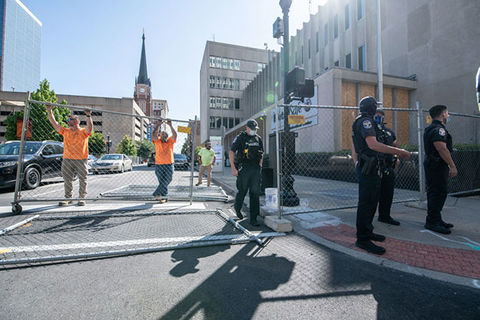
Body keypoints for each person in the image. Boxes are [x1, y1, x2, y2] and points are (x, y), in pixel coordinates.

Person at [351, 97, 411, 255]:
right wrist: (400, 152)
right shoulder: (365, 122)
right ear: (371, 107)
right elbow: (373, 145)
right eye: (375, 106)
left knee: (372, 202)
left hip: (373, 168)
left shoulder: (366, 121)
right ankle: (362, 238)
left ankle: (368, 231)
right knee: (366, 203)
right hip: (368, 169)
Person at [46, 105, 92, 206]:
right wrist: (49, 111)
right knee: (67, 179)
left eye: (69, 119)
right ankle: (68, 198)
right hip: (67, 159)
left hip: (81, 159)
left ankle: (81, 198)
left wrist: (88, 116)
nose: (67, 121)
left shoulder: (83, 131)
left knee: (83, 179)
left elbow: (90, 128)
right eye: (67, 119)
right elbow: (54, 123)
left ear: (76, 121)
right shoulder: (65, 131)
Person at [423, 105, 457, 234]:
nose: (448, 116)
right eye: (447, 113)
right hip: (436, 165)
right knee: (436, 193)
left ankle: (437, 219)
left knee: (439, 192)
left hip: (435, 165)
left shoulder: (433, 128)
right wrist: (452, 166)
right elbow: (441, 148)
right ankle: (431, 222)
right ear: (443, 114)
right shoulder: (438, 130)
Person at [229, 119, 264, 226]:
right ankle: (238, 208)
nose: (254, 131)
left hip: (255, 169)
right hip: (243, 167)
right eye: (252, 129)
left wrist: (260, 166)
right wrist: (233, 168)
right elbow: (231, 152)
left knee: (255, 193)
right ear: (247, 128)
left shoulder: (258, 139)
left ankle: (253, 218)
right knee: (242, 190)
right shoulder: (241, 137)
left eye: (255, 129)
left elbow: (261, 153)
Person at [374, 110, 401, 226]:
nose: (379, 118)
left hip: (388, 167)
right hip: (375, 167)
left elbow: (395, 146)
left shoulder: (389, 132)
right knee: (373, 195)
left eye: (380, 116)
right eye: (376, 116)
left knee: (388, 193)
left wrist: (396, 157)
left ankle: (384, 216)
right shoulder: (371, 131)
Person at [152, 120, 177, 203]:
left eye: (166, 134)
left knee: (168, 179)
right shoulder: (157, 141)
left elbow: (175, 135)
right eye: (162, 134)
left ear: (167, 136)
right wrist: (158, 125)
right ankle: (163, 197)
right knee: (162, 182)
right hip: (159, 165)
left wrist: (170, 125)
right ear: (160, 135)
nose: (164, 135)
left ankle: (157, 193)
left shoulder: (170, 141)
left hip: (169, 165)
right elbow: (153, 135)